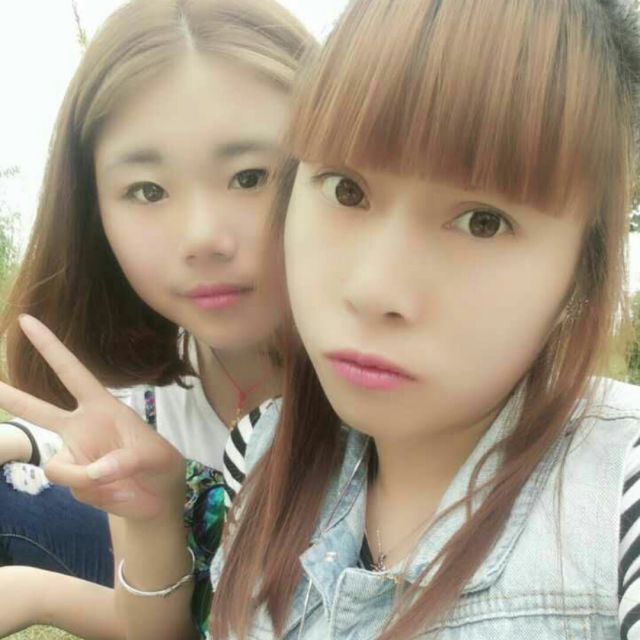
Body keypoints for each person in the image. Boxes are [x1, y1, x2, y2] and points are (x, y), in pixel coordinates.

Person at [2, 0, 640, 639]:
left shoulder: (610, 492)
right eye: (347, 191)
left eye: (483, 222)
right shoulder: (260, 448)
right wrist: (108, 498)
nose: (202, 238)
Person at [0, 0, 314, 637]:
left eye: (250, 176)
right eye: (147, 190)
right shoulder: (158, 385)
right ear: (93, 215)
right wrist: (142, 516)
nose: (202, 238)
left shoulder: (393, 385)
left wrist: (39, 594)